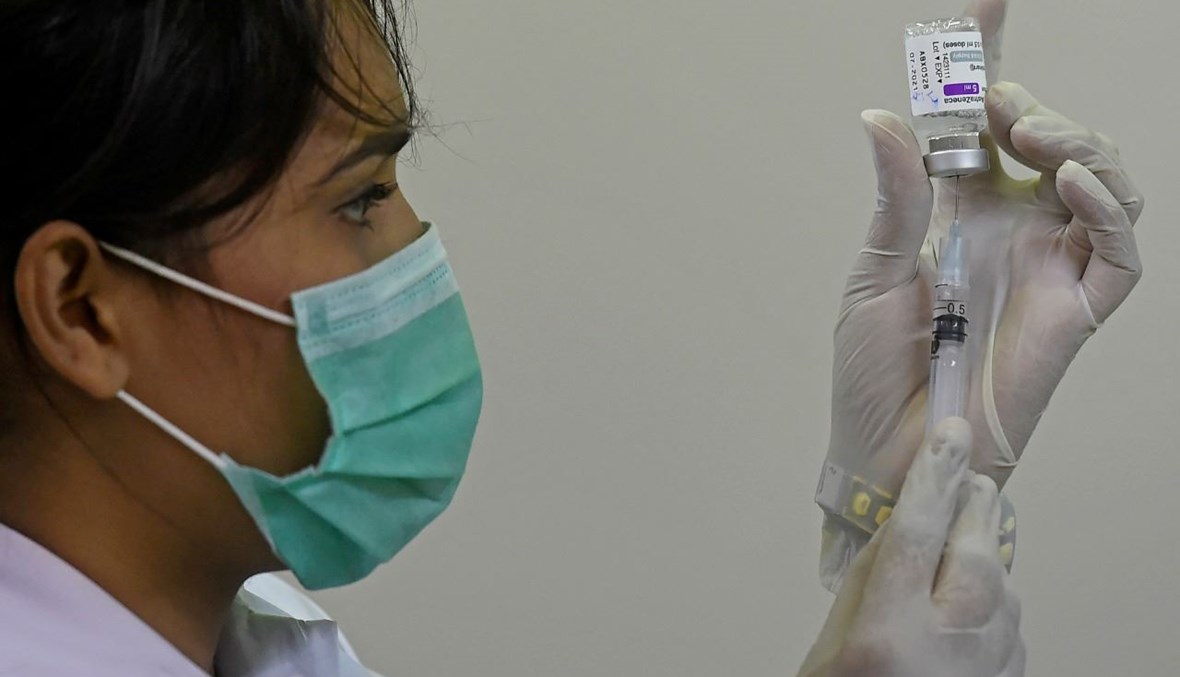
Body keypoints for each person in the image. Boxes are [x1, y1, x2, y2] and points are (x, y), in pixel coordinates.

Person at [0, 2, 1141, 677]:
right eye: (359, 199)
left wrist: (890, 509)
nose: (415, 250)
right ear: (83, 308)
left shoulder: (260, 642)